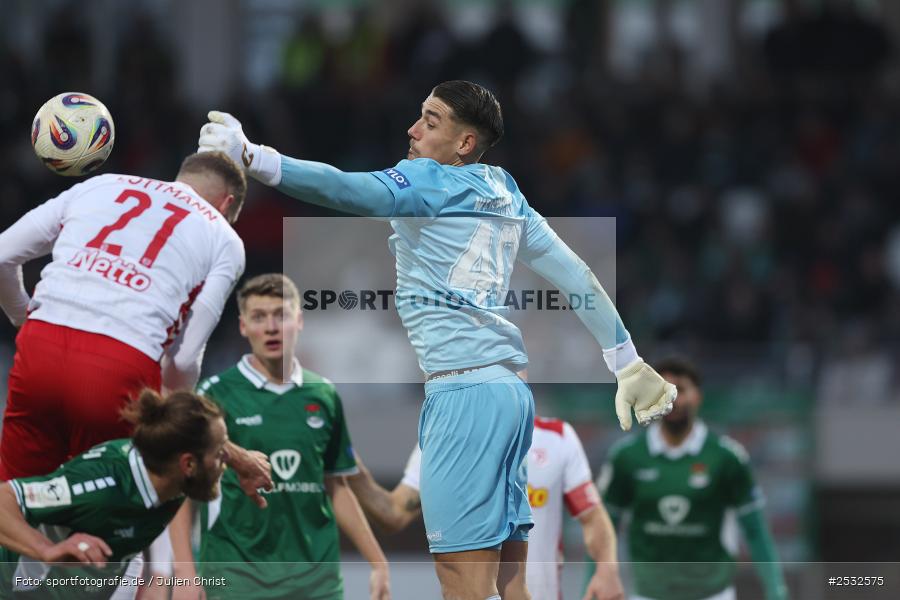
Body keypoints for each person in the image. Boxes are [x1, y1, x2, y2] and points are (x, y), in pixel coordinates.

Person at [197, 80, 676, 599]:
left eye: (430, 120)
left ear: (464, 143)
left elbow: (345, 189)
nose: (413, 129)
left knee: (462, 588)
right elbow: (576, 275)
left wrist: (253, 156)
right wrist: (625, 361)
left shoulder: (429, 179)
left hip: (463, 396)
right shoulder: (505, 190)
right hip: (511, 396)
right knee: (511, 587)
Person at [0, 151, 271, 506]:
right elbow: (186, 357)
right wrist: (171, 414)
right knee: (112, 511)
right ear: (227, 204)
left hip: (40, 346)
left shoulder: (100, 184)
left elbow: (3, 254)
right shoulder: (223, 237)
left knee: (14, 501)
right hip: (122, 362)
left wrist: (23, 318)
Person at [169, 273, 391, 600]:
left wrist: (378, 562)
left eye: (281, 315)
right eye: (259, 317)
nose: (271, 327)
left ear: (299, 321)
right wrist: (186, 574)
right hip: (236, 580)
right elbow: (183, 489)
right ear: (244, 326)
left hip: (317, 584)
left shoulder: (324, 394)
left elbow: (335, 485)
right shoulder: (215, 394)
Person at [349, 415, 626, 600]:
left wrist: (608, 569)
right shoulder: (440, 438)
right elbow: (394, 513)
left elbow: (592, 516)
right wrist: (345, 461)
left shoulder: (557, 437)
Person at [590, 357, 789, 600]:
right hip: (649, 594)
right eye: (662, 388)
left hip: (712, 594)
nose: (672, 398)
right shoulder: (627, 457)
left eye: (681, 389)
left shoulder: (726, 457)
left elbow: (756, 531)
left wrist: (776, 591)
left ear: (698, 396)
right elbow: (603, 528)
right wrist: (592, 586)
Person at [0, 388, 229, 599]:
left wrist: (245, 460)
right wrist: (47, 550)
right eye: (220, 453)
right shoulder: (100, 487)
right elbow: (4, 500)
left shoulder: (173, 475)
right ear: (188, 464)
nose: (226, 460)